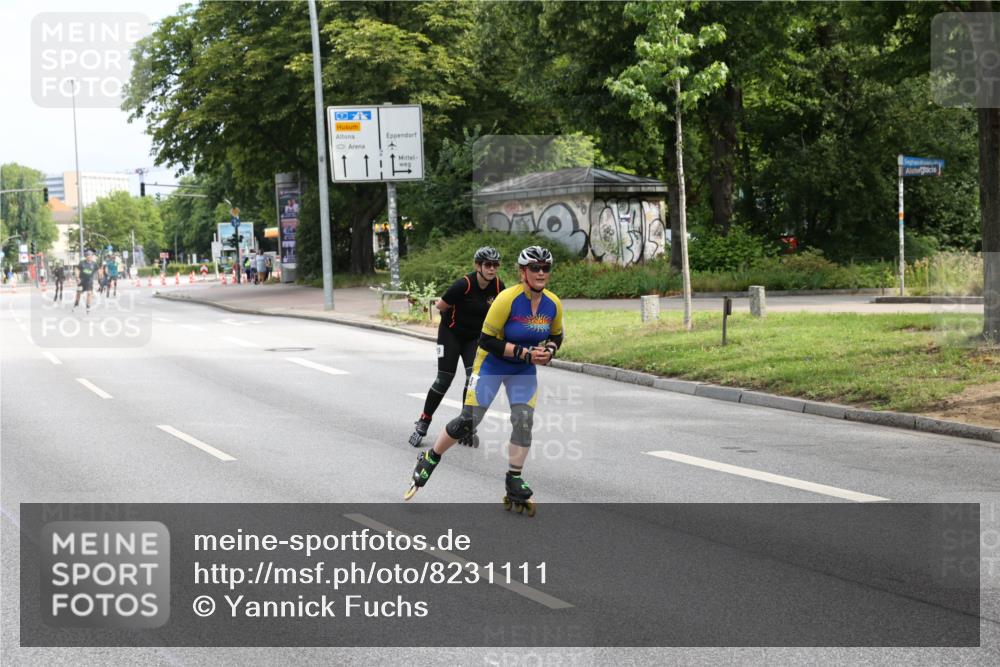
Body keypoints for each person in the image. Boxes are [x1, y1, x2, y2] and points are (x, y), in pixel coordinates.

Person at [405, 246, 564, 515]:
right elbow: (486, 340)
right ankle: (431, 457)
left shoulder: (553, 304)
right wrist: (524, 353)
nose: (540, 273)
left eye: (545, 268)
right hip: (491, 364)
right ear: (522, 272)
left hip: (522, 370)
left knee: (524, 421)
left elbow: (556, 335)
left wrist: (549, 350)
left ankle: (514, 479)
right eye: (534, 268)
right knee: (468, 421)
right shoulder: (506, 299)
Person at [408, 247, 505, 448]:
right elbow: (440, 306)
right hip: (450, 334)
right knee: (444, 379)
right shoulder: (464, 284)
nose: (492, 269)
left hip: (473, 339)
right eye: (488, 265)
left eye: (495, 265)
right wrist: (453, 322)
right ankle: (424, 420)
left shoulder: (498, 286)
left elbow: (504, 312)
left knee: (473, 379)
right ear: (478, 266)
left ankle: (464, 423)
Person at [72, 249, 99, 314]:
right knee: (79, 293)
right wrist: (77, 277)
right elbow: (77, 270)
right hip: (81, 280)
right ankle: (76, 303)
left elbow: (98, 271)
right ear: (86, 256)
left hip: (89, 280)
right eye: (88, 255)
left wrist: (100, 280)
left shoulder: (94, 264)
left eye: (91, 255)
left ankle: (88, 306)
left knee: (89, 293)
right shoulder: (82, 263)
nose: (90, 257)